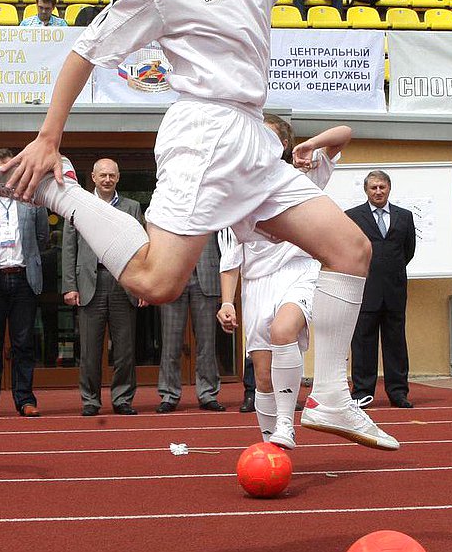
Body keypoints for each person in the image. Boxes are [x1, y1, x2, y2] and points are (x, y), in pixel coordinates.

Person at [0, 0, 396, 450]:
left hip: (252, 134)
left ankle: (330, 396)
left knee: (352, 249)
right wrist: (49, 136)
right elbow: (84, 51)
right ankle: (59, 192)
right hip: (205, 132)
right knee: (154, 283)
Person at [218, 118, 352, 448]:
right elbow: (231, 254)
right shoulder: (236, 186)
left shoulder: (303, 173)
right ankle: (271, 447)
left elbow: (344, 135)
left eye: (271, 137)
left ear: (283, 146)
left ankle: (285, 423)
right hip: (257, 282)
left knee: (283, 331)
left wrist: (312, 144)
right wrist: (225, 301)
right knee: (263, 376)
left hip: (299, 271)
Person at [0, 148, 49, 418]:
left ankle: (25, 399)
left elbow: (42, 237)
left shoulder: (32, 197)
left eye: (9, 169)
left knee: (23, 342)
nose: (5, 175)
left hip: (24, 277)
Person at [61, 158, 144, 417]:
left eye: (112, 175)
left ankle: (122, 399)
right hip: (88, 283)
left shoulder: (132, 207)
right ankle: (90, 400)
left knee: (125, 349)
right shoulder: (78, 205)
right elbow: (69, 248)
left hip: (124, 283)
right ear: (93, 177)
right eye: (102, 175)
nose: (107, 179)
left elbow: (143, 248)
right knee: (89, 349)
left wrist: (142, 286)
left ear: (118, 178)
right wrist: (69, 286)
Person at [346, 170, 416, 408]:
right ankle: (363, 392)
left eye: (382, 187)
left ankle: (398, 392)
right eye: (373, 187)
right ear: (366, 190)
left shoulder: (404, 217)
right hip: (365, 289)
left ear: (389, 188)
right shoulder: (353, 216)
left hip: (394, 289)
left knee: (395, 342)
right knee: (363, 342)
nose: (378, 191)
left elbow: (408, 251)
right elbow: (350, 250)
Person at [157, 239, 223, 412]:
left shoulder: (212, 209)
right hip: (172, 275)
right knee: (171, 342)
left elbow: (223, 240)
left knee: (207, 343)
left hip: (207, 274)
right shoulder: (165, 210)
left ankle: (208, 393)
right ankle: (169, 394)